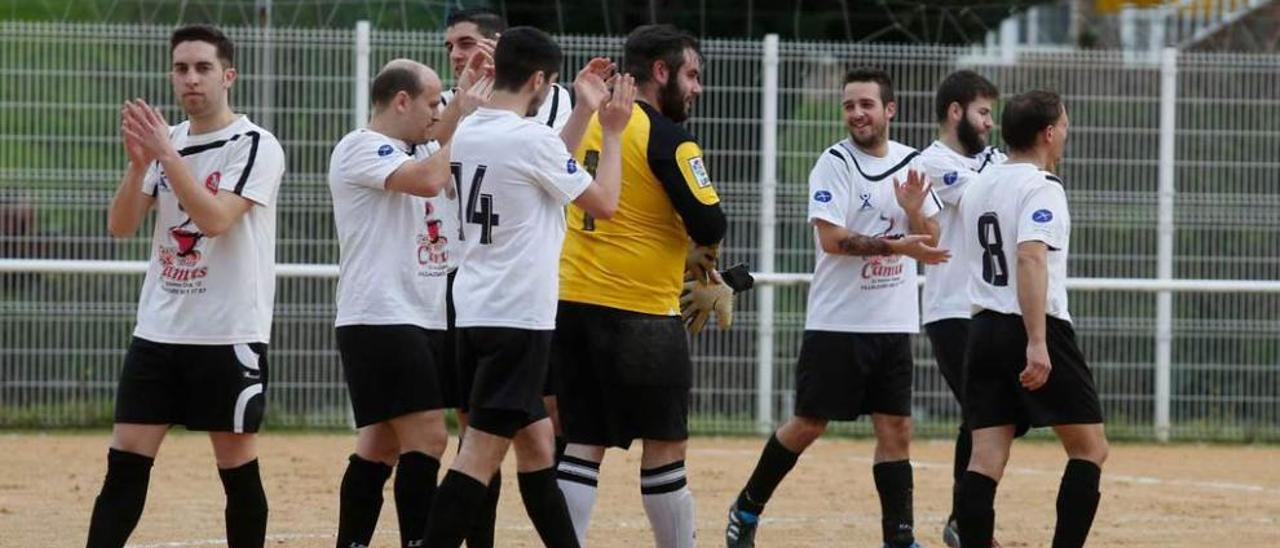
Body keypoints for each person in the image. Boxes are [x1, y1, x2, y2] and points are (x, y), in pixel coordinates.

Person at [422, 26, 635, 548]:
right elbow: (604, 203)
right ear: (539, 80)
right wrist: (611, 130)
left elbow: (544, 170)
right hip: (516, 320)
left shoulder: (471, 129)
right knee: (478, 456)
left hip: (475, 312)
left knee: (538, 444)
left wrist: (582, 111)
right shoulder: (527, 139)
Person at [724, 67, 949, 548]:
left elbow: (933, 242)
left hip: (893, 322)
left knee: (897, 428)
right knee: (809, 424)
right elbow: (831, 240)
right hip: (838, 322)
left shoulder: (912, 163)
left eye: (866, 104)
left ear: (890, 109)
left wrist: (912, 210)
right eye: (849, 105)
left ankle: (900, 537)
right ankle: (747, 506)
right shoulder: (834, 163)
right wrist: (897, 247)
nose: (856, 113)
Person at [90, 24, 286, 548]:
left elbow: (218, 219)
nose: (190, 79)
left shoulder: (255, 145)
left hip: (227, 333)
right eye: (181, 68)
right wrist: (137, 169)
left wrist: (167, 159)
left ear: (228, 75)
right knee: (125, 461)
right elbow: (122, 226)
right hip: (159, 330)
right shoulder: (167, 141)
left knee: (236, 465)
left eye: (202, 68)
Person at [552, 24, 730, 548]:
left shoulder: (581, 123)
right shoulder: (669, 137)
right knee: (665, 447)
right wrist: (696, 247)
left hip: (572, 305)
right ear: (660, 72)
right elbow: (710, 224)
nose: (697, 87)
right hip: (641, 315)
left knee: (582, 445)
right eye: (691, 74)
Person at [327, 58, 482, 548]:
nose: (439, 113)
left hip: (421, 316)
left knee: (381, 445)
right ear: (401, 101)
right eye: (431, 102)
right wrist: (469, 120)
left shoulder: (420, 146)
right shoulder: (361, 147)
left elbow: (438, 145)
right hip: (381, 316)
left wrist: (461, 100)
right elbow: (427, 179)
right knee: (431, 439)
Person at [956, 89, 1109, 548]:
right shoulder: (1042, 187)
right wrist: (1037, 340)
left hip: (982, 327)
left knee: (985, 457)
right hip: (1031, 323)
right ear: (1047, 133)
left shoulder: (979, 185)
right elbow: (1030, 258)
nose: (1065, 133)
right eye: (1063, 125)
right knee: (1090, 449)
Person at [915, 69, 1006, 547]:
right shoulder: (930, 162)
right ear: (956, 112)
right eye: (983, 112)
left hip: (990, 306)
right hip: (951, 309)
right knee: (983, 413)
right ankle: (966, 524)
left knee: (990, 415)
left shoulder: (992, 159)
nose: (990, 123)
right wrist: (1000, 174)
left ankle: (961, 519)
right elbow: (981, 197)